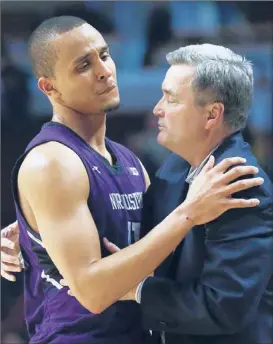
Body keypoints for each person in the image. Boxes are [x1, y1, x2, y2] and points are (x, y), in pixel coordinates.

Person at [0, 16, 264, 344]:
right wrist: (188, 214)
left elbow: (161, 248)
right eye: (83, 65)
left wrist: (27, 234)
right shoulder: (51, 162)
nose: (103, 71)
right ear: (49, 86)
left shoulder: (131, 163)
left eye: (105, 55)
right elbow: (94, 293)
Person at [104, 44, 272, 344]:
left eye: (171, 98)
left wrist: (137, 290)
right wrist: (35, 232)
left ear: (212, 115)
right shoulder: (176, 165)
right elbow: (138, 227)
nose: (157, 108)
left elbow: (223, 306)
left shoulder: (239, 181)